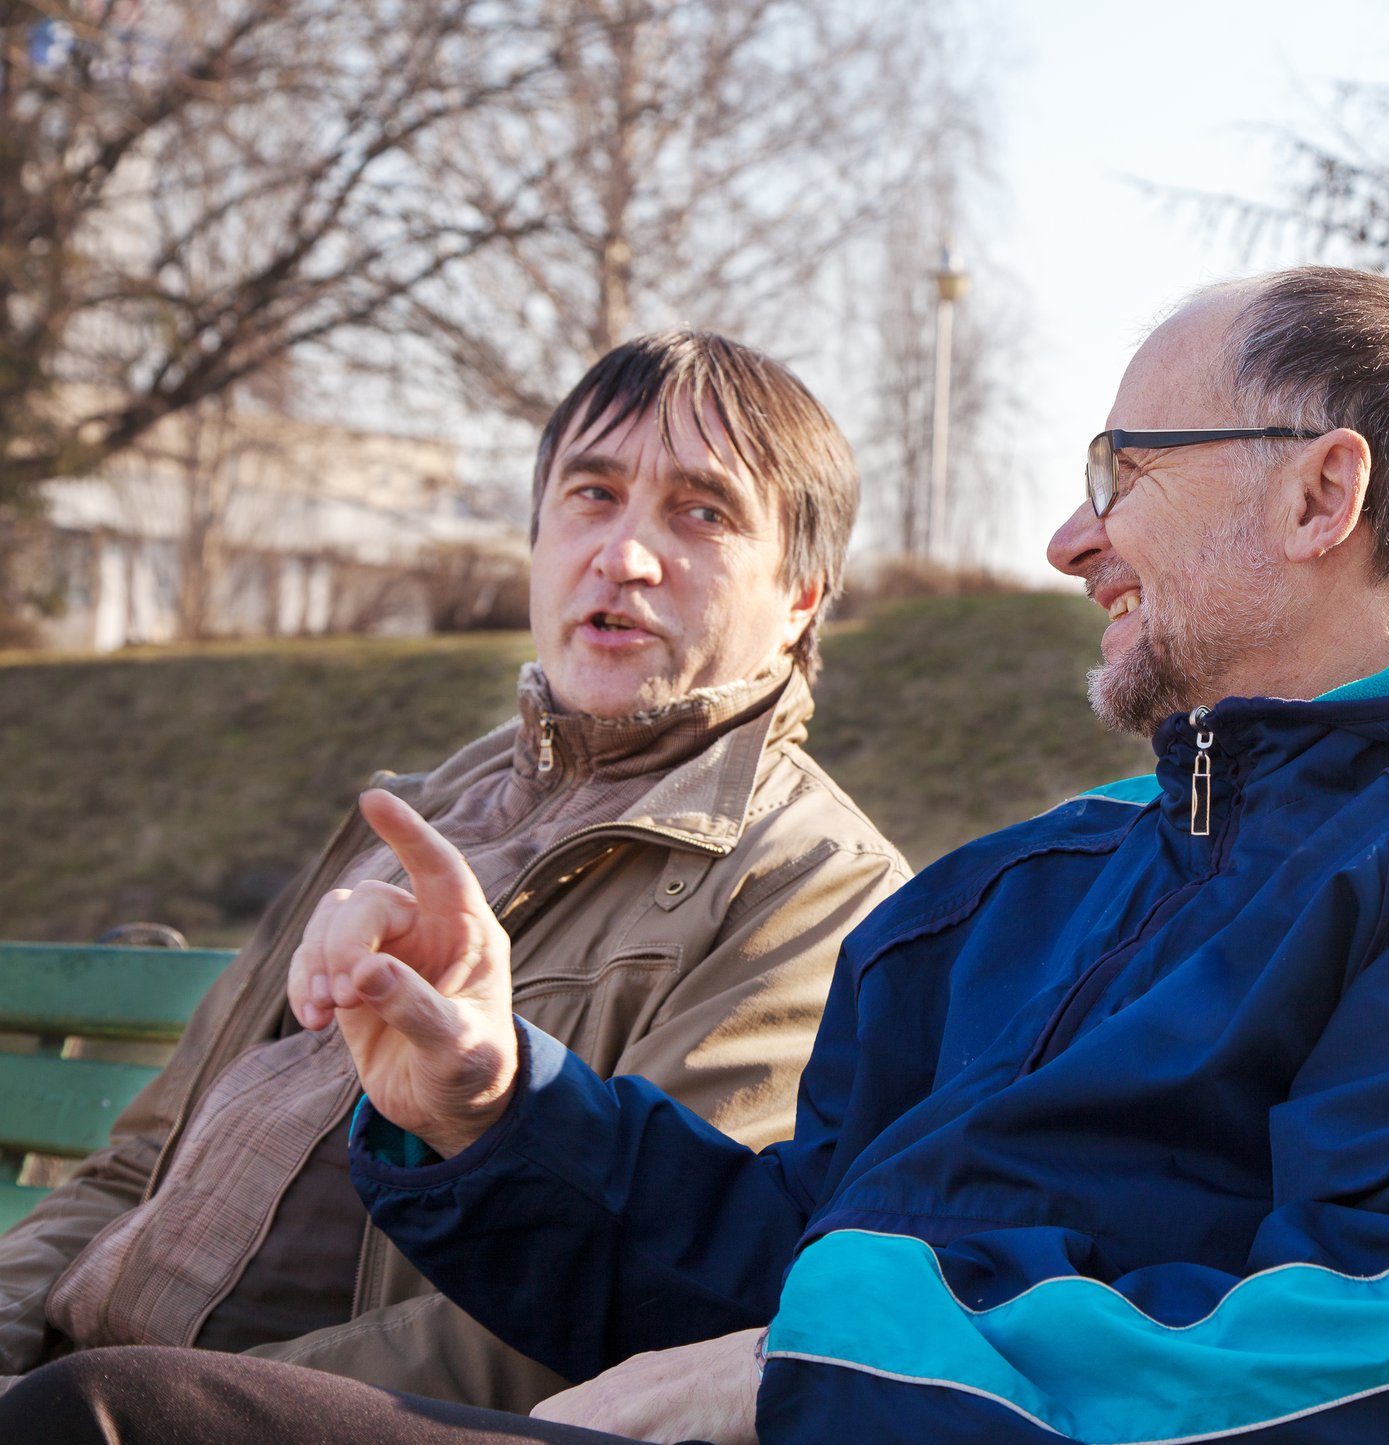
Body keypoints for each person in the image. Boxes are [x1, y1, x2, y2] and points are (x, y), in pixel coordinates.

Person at [2, 267, 1389, 1444]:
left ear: (1324, 495)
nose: (1070, 532)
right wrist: (487, 1104)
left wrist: (826, 1373)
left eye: (1121, 469)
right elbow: (783, 1251)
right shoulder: (1026, 892)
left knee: (120, 1424)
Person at [0, 332, 908, 1413]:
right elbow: (137, 1157)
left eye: (701, 512)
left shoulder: (813, 887)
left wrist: (147, 1401)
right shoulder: (410, 813)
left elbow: (639, 1291)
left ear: (802, 595)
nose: (622, 556)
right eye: (591, 494)